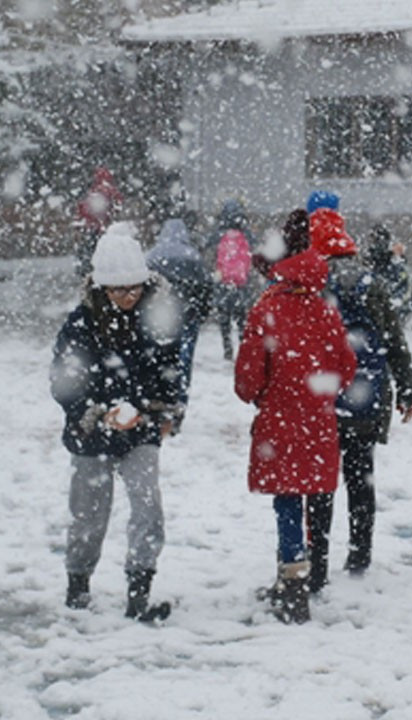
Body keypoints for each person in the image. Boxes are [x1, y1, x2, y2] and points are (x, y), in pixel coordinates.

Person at [50, 223, 182, 620]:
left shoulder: (157, 317)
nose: (129, 296)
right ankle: (78, 586)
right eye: (119, 290)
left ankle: (139, 591)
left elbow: (171, 370)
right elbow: (64, 381)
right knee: (89, 514)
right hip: (92, 434)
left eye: (135, 288)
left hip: (140, 427)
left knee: (147, 509)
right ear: (101, 288)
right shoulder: (80, 324)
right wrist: (96, 411)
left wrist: (163, 412)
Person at [234, 248, 357, 624]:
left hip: (280, 418)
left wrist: (260, 394)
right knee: (310, 494)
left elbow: (248, 377)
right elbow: (346, 368)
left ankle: (292, 582)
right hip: (318, 421)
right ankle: (301, 576)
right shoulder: (327, 312)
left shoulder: (266, 310)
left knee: (287, 500)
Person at [307, 205, 412, 593]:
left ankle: (316, 559)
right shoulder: (371, 284)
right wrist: (407, 388)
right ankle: (359, 554)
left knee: (320, 484)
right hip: (367, 401)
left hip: (324, 401)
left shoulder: (313, 282)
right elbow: (394, 342)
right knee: (360, 477)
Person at [146, 217, 215, 409]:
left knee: (160, 358)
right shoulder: (192, 256)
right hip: (188, 315)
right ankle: (180, 400)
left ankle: (161, 399)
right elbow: (206, 287)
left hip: (161, 317)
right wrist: (202, 312)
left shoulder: (152, 256)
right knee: (185, 360)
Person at [211, 199, 254, 360]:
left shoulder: (219, 234)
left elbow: (208, 246)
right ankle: (243, 347)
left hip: (224, 283)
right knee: (242, 319)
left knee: (224, 320)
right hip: (241, 284)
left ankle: (227, 348)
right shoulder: (246, 234)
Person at [73, 167, 125, 278]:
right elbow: (118, 204)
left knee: (88, 250)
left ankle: (86, 272)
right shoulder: (111, 190)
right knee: (102, 251)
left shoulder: (92, 191)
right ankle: (102, 272)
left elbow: (82, 209)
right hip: (103, 228)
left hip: (90, 227)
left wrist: (81, 223)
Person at [366, 223, 412, 327]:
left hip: (385, 286)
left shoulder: (379, 250)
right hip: (390, 288)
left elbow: (377, 260)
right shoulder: (388, 253)